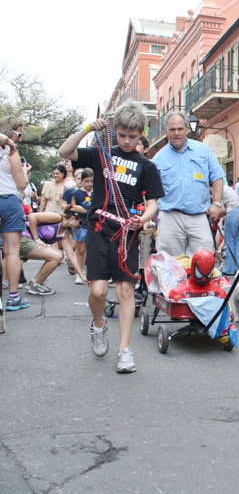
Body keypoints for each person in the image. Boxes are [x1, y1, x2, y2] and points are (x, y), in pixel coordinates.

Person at [58, 100, 164, 374]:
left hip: (126, 232)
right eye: (122, 135)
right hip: (98, 229)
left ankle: (124, 350)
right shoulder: (100, 154)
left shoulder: (146, 167)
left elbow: (152, 203)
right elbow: (64, 151)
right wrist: (86, 128)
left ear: (141, 132)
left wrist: (142, 219)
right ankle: (98, 326)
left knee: (125, 290)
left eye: (133, 136)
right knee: (98, 291)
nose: (127, 141)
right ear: (114, 129)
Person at [152, 111, 226, 258]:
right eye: (172, 129)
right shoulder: (158, 158)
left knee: (204, 261)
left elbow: (218, 177)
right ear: (166, 131)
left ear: (187, 129)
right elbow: (151, 191)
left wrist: (216, 203)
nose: (176, 133)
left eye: (180, 129)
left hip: (199, 216)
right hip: (170, 217)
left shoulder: (203, 150)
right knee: (169, 265)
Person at [22, 206, 88, 295]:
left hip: (29, 242)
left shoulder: (63, 233)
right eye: (80, 222)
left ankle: (36, 282)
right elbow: (32, 217)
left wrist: (81, 275)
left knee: (59, 254)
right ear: (73, 218)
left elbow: (71, 255)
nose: (80, 226)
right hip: (23, 238)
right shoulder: (58, 218)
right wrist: (37, 238)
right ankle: (35, 283)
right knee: (56, 255)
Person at [0, 116, 29, 311]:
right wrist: (25, 172)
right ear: (10, 131)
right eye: (18, 134)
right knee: (12, 251)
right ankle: (13, 297)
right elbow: (22, 184)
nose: (19, 138)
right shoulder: (11, 153)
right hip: (9, 201)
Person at [70, 168, 94, 284]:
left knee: (95, 250)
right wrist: (74, 221)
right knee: (81, 250)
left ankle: (95, 273)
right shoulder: (76, 193)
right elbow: (72, 209)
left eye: (92, 181)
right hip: (82, 224)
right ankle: (80, 273)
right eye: (87, 181)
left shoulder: (98, 192)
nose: (90, 184)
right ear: (82, 181)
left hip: (95, 224)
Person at [219, 183, 239, 275]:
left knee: (229, 241)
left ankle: (229, 269)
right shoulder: (227, 188)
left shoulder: (216, 190)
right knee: (238, 242)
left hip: (233, 212)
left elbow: (222, 209)